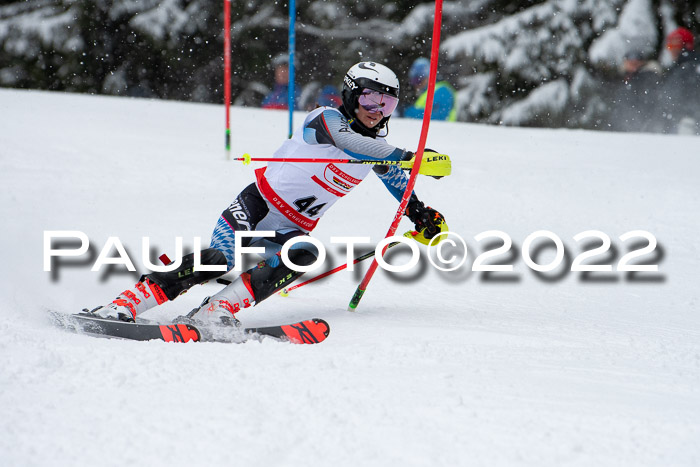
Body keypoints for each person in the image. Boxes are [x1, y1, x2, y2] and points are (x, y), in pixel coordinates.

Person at [89, 61, 448, 327]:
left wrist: (420, 213)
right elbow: (348, 142)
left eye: (386, 105)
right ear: (352, 94)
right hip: (256, 207)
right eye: (370, 100)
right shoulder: (325, 120)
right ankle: (128, 302)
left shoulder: (377, 148)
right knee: (218, 259)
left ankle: (216, 310)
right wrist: (407, 156)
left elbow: (396, 180)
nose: (376, 112)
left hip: (291, 227)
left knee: (304, 254)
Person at [610, 49, 663, 132]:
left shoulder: (647, 77)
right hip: (624, 126)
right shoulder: (623, 78)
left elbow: (648, 103)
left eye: (636, 62)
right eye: (630, 62)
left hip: (640, 126)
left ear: (642, 63)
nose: (633, 65)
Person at [659, 27, 700, 134]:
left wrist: (689, 118)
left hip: (688, 124)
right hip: (676, 122)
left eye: (675, 45)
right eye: (669, 45)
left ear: (686, 45)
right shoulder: (677, 67)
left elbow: (693, 97)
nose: (671, 49)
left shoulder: (692, 67)